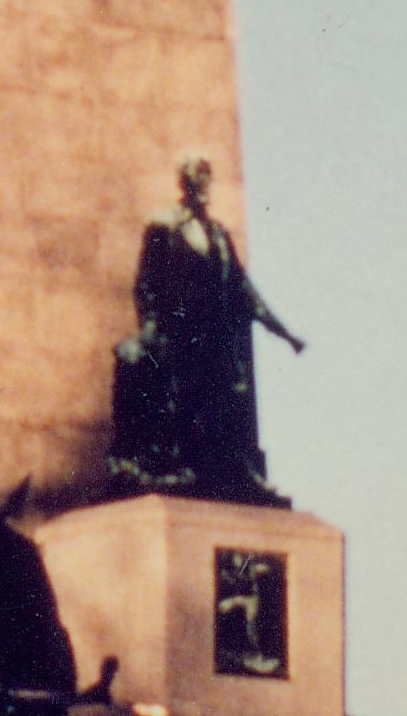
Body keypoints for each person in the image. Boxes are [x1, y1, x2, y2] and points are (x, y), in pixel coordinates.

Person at [110, 156, 304, 503]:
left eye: (207, 181)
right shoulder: (164, 227)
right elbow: (145, 284)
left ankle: (238, 472)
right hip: (177, 331)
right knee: (177, 398)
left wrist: (283, 331)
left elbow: (243, 289)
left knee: (230, 398)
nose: (203, 188)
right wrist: (151, 327)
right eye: (197, 181)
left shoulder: (218, 235)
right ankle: (177, 466)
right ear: (185, 185)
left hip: (213, 334)